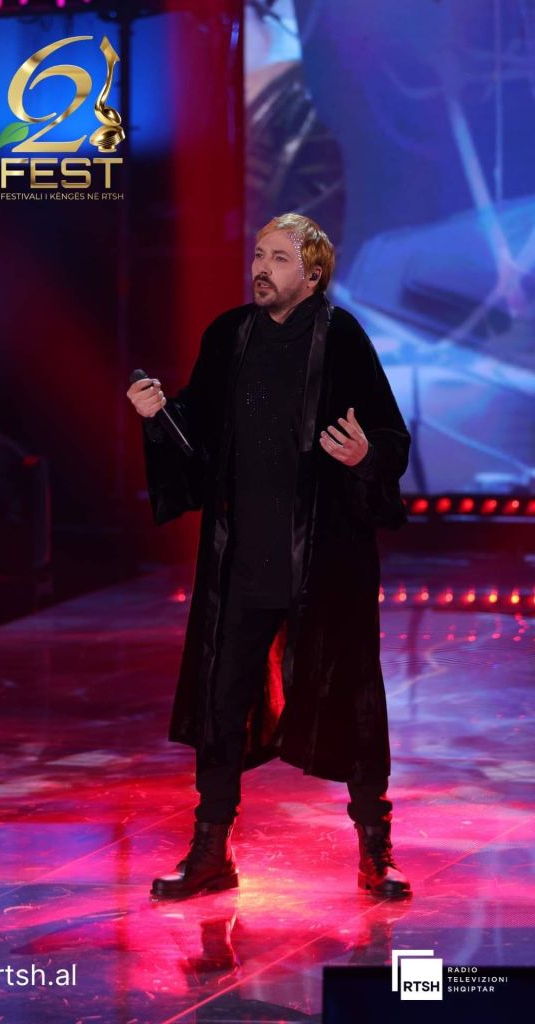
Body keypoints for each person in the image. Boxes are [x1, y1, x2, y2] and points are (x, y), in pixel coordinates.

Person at [127, 213, 412, 900]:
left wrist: (366, 455)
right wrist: (158, 416)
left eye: (279, 258)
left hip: (324, 562)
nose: (261, 268)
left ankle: (375, 849)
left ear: (312, 275)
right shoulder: (229, 335)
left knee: (352, 701)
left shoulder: (342, 339)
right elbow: (196, 434)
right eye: (259, 254)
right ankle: (211, 850)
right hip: (242, 558)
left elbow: (389, 436)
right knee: (222, 703)